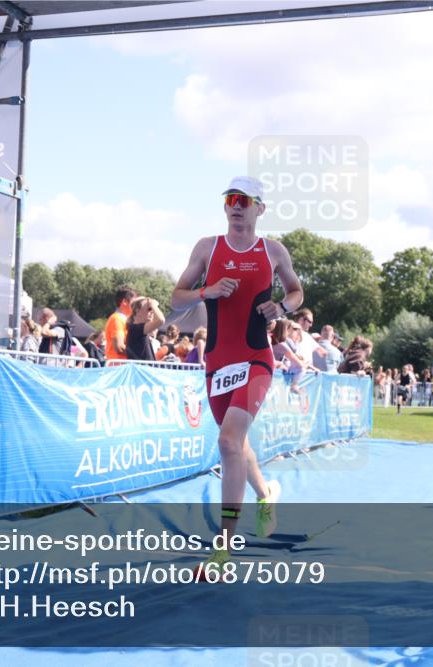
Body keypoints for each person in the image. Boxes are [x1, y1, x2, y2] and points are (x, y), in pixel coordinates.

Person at [171, 176, 303, 576]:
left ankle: (223, 550)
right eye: (230, 199)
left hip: (256, 359)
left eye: (244, 200)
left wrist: (282, 308)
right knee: (236, 445)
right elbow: (176, 299)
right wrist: (204, 292)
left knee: (228, 441)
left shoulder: (273, 251)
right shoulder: (207, 248)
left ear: (259, 208)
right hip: (217, 361)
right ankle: (265, 495)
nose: (236, 206)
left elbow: (297, 292)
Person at [126, 296, 165, 361]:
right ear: (137, 310)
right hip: (140, 370)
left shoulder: (138, 329)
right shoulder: (134, 329)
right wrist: (154, 305)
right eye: (149, 309)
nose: (152, 311)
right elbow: (161, 320)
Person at [104, 286, 135, 363]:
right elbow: (119, 347)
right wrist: (138, 354)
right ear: (124, 302)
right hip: (118, 368)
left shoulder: (123, 319)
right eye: (134, 303)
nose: (136, 305)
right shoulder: (116, 319)